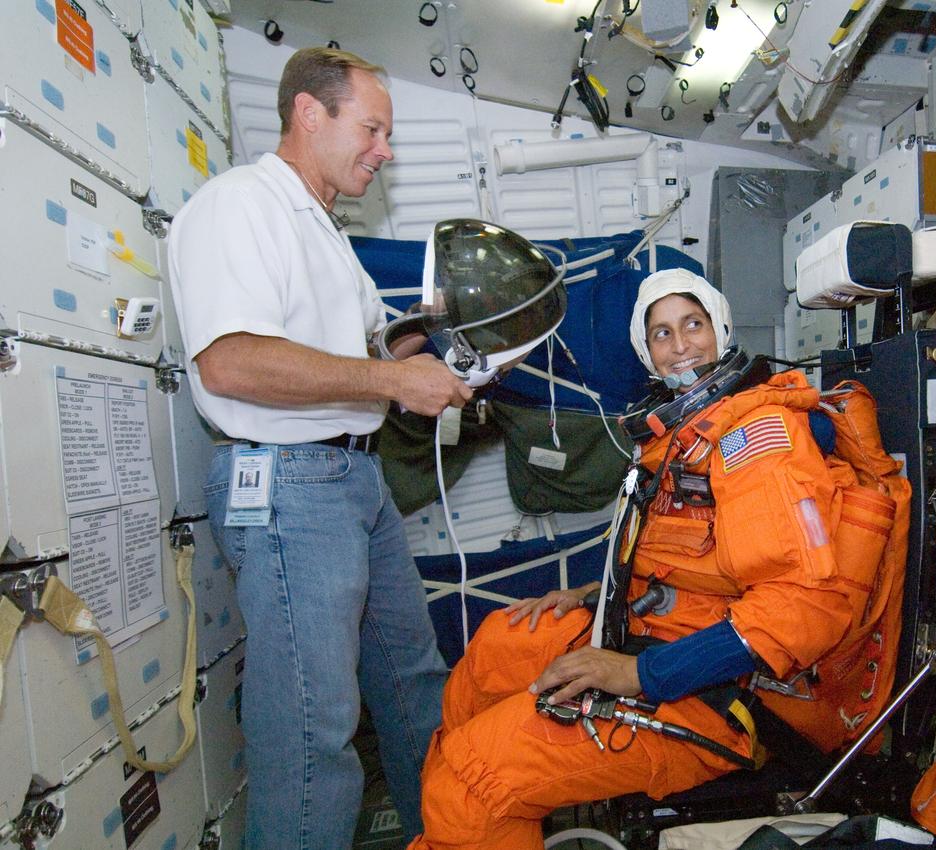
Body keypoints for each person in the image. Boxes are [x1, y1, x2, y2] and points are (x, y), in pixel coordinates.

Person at [412, 268, 893, 849]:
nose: (681, 344)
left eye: (693, 324)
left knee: (473, 781)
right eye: (662, 334)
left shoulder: (756, 436)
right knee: (494, 648)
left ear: (720, 330)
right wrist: (594, 597)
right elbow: (691, 564)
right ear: (646, 352)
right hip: (659, 631)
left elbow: (806, 607)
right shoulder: (683, 436)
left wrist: (637, 675)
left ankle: (470, 803)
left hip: (729, 693)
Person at [167, 47, 472, 849]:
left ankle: (448, 835)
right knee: (313, 734)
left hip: (352, 481)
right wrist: (395, 383)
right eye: (372, 128)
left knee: (413, 692)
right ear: (311, 113)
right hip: (291, 487)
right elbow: (232, 361)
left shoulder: (325, 230)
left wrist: (444, 339)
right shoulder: (240, 206)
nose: (386, 149)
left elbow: (381, 344)